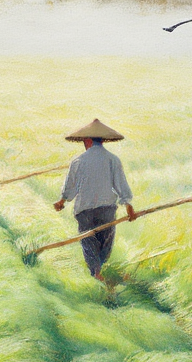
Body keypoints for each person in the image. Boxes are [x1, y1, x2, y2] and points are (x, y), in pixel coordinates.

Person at [53, 118, 136, 282]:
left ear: (88, 140)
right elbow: (121, 185)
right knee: (104, 243)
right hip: (107, 210)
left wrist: (62, 202)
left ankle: (97, 273)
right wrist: (128, 206)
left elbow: (70, 187)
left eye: (85, 141)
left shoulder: (78, 161)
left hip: (85, 211)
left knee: (89, 242)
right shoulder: (113, 159)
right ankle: (100, 272)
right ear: (102, 141)